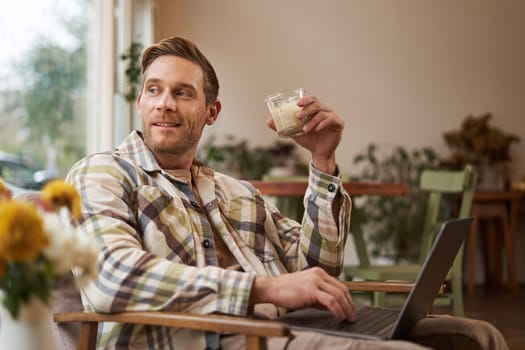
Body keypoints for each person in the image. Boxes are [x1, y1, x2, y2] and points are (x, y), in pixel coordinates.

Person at [66, 36, 507, 349]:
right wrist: (266, 289)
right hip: (201, 340)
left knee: (477, 337)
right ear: (140, 102)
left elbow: (318, 268)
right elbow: (112, 279)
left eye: (183, 93)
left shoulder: (237, 193)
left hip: (284, 331)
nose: (165, 103)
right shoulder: (103, 174)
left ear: (211, 111)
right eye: (154, 90)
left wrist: (323, 162)